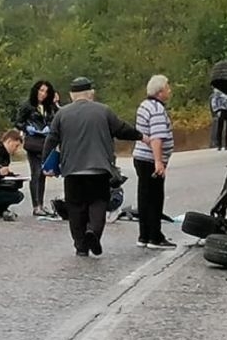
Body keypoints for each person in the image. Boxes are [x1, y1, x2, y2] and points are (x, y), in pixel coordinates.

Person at [42, 77, 148, 257]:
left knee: (75, 208)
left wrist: (46, 164)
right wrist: (141, 136)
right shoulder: (104, 111)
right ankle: (93, 232)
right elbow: (121, 129)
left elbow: (51, 140)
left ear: (71, 95)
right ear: (91, 93)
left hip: (72, 170)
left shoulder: (62, 114)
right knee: (98, 204)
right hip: (99, 169)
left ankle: (81, 247)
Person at [133, 74, 176, 250]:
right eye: (167, 87)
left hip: (140, 158)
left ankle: (144, 235)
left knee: (144, 198)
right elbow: (157, 138)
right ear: (159, 92)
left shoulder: (145, 105)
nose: (169, 90)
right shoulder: (157, 110)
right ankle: (155, 237)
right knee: (155, 199)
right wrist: (159, 162)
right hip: (151, 159)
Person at [14, 80, 58, 216]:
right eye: (41, 91)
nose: (43, 94)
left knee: (43, 174)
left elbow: (57, 118)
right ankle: (36, 205)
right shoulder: (28, 106)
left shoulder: (49, 107)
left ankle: (41, 204)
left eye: (46, 92)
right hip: (33, 142)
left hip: (45, 143)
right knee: (36, 172)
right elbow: (17, 121)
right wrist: (27, 128)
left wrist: (56, 104)